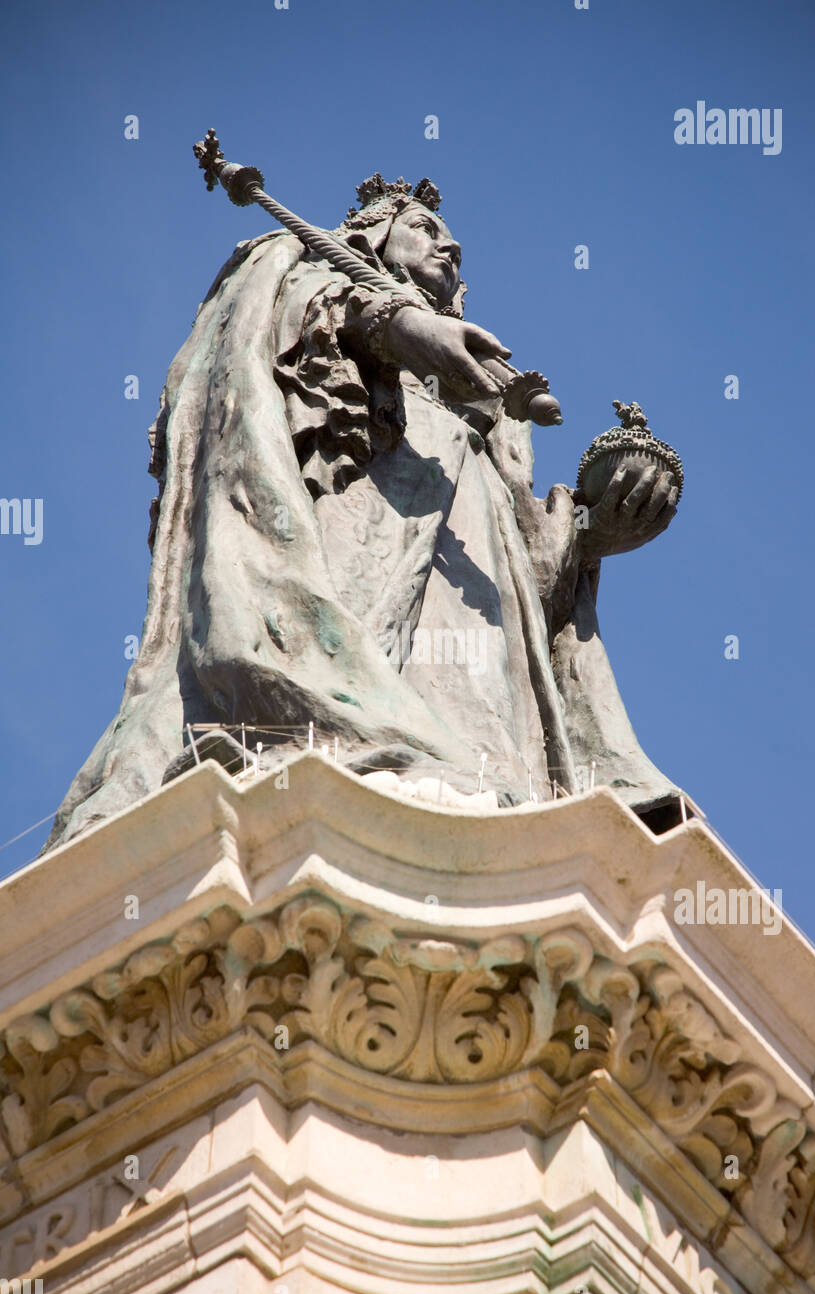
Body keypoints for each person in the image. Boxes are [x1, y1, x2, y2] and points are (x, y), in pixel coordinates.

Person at [45, 173, 680, 851]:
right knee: (351, 660)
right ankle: (361, 761)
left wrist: (588, 536)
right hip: (351, 494)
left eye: (454, 246)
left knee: (472, 714)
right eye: (426, 231)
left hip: (468, 598)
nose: (449, 248)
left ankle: (467, 797)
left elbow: (523, 584)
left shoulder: (484, 421)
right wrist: (395, 325)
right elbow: (271, 338)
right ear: (375, 235)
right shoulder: (299, 267)